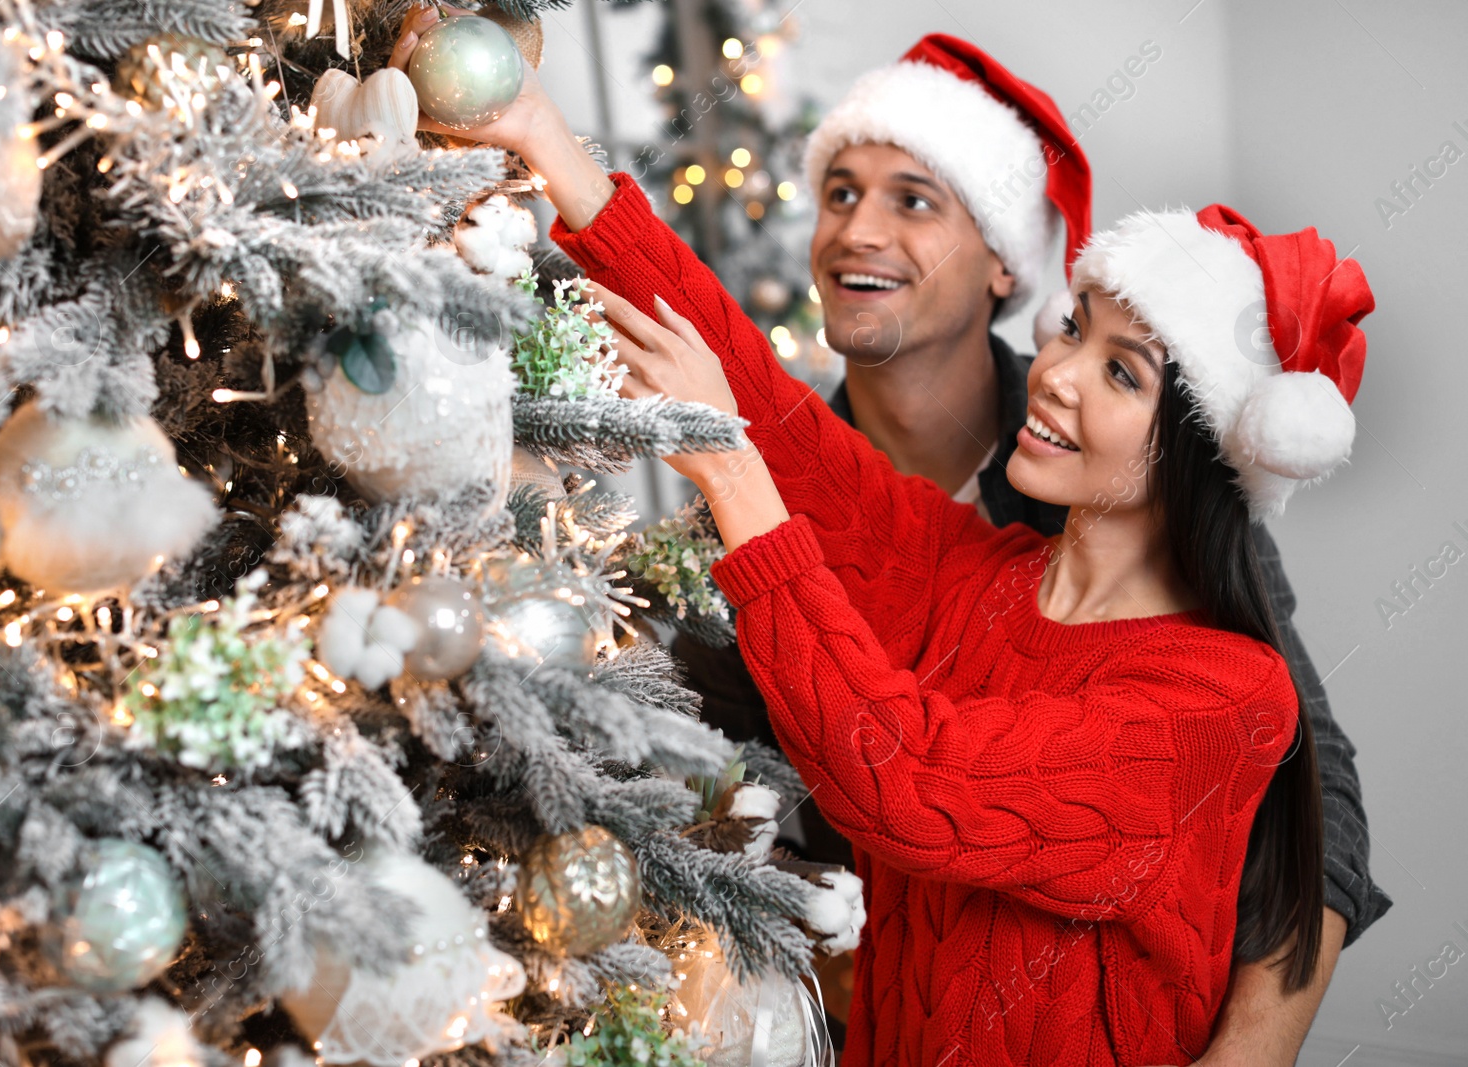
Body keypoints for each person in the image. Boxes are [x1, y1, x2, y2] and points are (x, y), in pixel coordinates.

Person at [388, 10, 1392, 1061]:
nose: (1055, 371)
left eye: (1121, 371)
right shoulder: (976, 569)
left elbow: (904, 778)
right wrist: (548, 143)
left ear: (1197, 450)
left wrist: (730, 473)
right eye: (1074, 331)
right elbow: (774, 417)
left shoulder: (1219, 690)